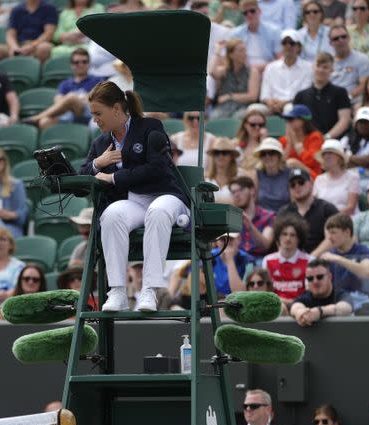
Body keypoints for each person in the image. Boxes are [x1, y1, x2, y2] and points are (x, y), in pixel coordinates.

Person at [81, 81, 189, 312]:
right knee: (110, 216)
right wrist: (96, 164)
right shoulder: (101, 143)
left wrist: (113, 178)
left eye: (98, 113)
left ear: (117, 109)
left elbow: (157, 168)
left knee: (158, 212)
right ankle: (118, 291)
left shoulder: (150, 126)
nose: (95, 119)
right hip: (134, 201)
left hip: (166, 195)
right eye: (93, 114)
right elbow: (82, 176)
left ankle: (150, 290)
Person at [24, 48, 102, 129]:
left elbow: (92, 100)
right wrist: (73, 101)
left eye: (84, 62)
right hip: (67, 115)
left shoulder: (97, 80)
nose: (80, 64)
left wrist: (71, 101)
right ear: (71, 65)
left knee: (72, 97)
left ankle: (36, 118)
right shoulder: (65, 83)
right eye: (76, 62)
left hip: (88, 115)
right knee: (45, 122)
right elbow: (58, 102)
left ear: (89, 64)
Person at [320, 212, 369, 312]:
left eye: (333, 232)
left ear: (347, 232)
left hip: (361, 304)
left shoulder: (362, 250)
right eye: (329, 233)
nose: (329, 237)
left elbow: (366, 272)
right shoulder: (328, 255)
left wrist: (339, 259)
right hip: (337, 303)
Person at [277, 169, 338, 255]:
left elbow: (334, 238)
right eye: (292, 185)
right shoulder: (283, 212)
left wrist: (311, 258)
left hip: (321, 261)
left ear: (311, 184)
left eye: (301, 182)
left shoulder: (327, 209)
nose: (297, 186)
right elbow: (279, 240)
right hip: (290, 260)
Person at [294, 52, 352, 139]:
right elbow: (295, 122)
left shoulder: (341, 93)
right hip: (308, 141)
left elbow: (344, 120)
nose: (321, 70)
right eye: (318, 66)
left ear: (332, 70)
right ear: (313, 67)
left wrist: (327, 137)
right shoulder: (301, 96)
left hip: (333, 142)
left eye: (325, 67)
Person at [263, 214, 313, 304]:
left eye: (292, 235)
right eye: (284, 234)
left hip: (301, 306)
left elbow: (310, 292)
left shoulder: (309, 260)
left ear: (299, 239)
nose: (288, 238)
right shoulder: (267, 260)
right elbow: (265, 291)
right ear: (278, 236)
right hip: (276, 306)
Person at [260, 30, 313, 116]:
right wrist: (270, 103)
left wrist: (284, 103)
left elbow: (304, 95)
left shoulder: (308, 68)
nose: (288, 46)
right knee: (254, 109)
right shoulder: (270, 67)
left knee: (289, 109)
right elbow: (264, 94)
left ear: (299, 47)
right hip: (272, 105)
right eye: (284, 43)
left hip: (295, 105)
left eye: (292, 43)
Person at [289, 259, 353, 326]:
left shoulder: (340, 294)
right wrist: (300, 312)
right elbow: (295, 306)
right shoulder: (305, 296)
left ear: (330, 277)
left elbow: (346, 308)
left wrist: (320, 312)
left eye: (320, 277)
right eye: (310, 278)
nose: (315, 282)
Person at [209, 38, 261, 120]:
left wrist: (229, 96)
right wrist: (217, 52)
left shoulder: (252, 72)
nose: (245, 53)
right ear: (231, 54)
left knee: (239, 117)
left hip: (243, 107)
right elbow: (212, 72)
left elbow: (252, 96)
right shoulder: (225, 70)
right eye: (240, 50)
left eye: (244, 50)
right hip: (223, 108)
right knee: (214, 118)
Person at [229, 0, 282, 70]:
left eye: (252, 11)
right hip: (243, 71)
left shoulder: (274, 31)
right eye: (245, 13)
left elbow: (280, 59)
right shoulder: (235, 33)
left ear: (259, 11)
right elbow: (230, 58)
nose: (249, 14)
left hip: (268, 70)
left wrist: (259, 68)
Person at [329, 24, 369, 101]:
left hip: (355, 101)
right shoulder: (328, 62)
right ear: (330, 43)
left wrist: (348, 97)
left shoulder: (362, 59)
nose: (341, 40)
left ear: (349, 38)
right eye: (336, 39)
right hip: (332, 101)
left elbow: (365, 84)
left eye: (344, 37)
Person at [313, 140, 359, 216]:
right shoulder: (319, 179)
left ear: (339, 157)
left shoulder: (352, 177)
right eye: (324, 154)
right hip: (324, 221)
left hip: (346, 220)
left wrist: (328, 214)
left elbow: (350, 208)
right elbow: (314, 205)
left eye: (330, 153)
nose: (327, 156)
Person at [280, 104, 323, 179]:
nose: (288, 123)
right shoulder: (283, 140)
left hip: (312, 178)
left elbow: (312, 162)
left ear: (303, 120)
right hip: (289, 181)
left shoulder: (315, 137)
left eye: (291, 119)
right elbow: (279, 165)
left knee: (292, 163)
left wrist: (297, 145)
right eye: (287, 120)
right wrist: (289, 144)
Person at [252, 137, 291, 212]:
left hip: (284, 218)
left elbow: (294, 202)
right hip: (263, 220)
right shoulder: (257, 174)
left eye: (271, 153)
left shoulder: (289, 174)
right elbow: (254, 201)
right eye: (263, 154)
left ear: (279, 156)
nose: (267, 156)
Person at [343, 106, 369, 176]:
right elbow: (339, 159)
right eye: (361, 122)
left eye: (367, 122)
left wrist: (349, 157)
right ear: (356, 124)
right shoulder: (347, 138)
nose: (364, 125)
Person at [204, 137, 240, 204]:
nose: (220, 156)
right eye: (217, 153)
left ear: (231, 156)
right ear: (213, 156)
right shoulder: (205, 179)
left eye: (224, 153)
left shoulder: (239, 178)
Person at [235, 106, 269, 175]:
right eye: (253, 125)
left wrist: (264, 142)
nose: (257, 127)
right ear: (245, 125)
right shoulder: (235, 143)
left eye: (261, 125)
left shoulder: (268, 146)